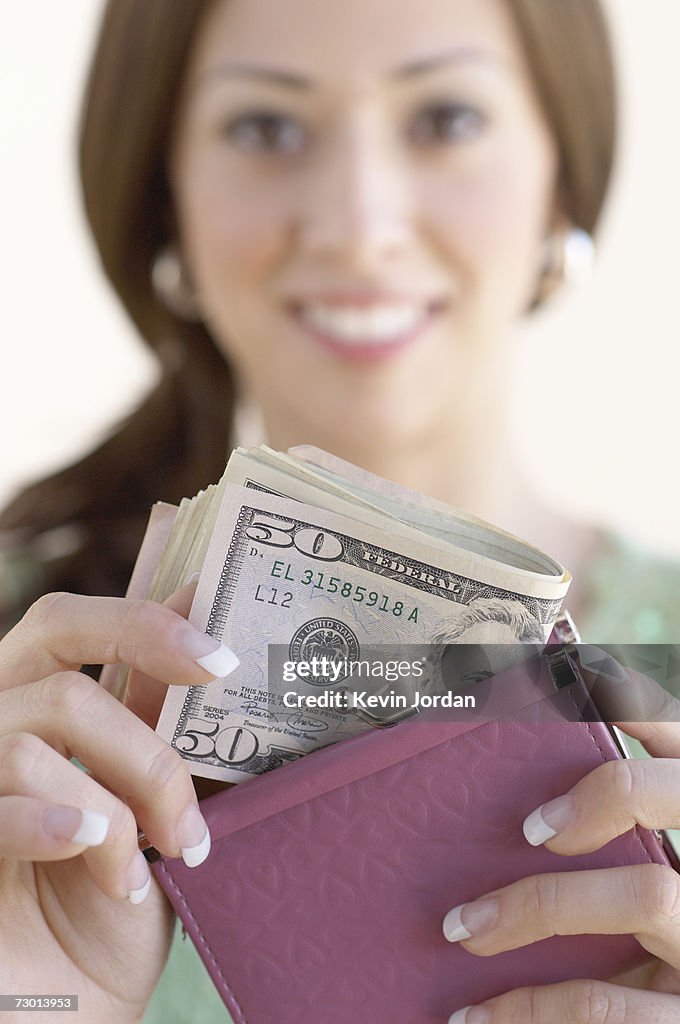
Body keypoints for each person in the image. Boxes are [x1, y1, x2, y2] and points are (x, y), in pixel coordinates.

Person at [1, 1, 680, 1021]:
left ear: (560, 183)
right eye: (265, 127)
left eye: (445, 118)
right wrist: (36, 1003)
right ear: (163, 195)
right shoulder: (18, 700)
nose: (358, 228)